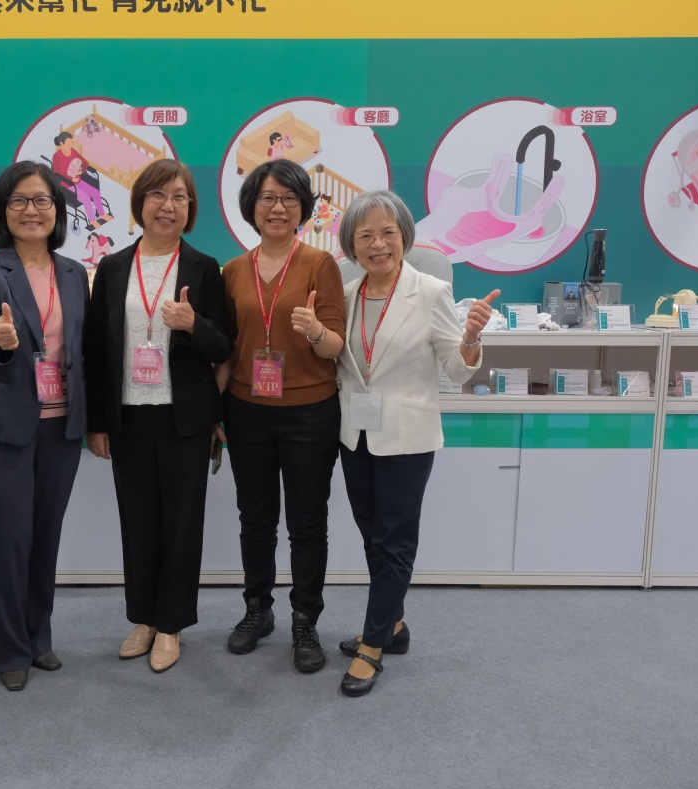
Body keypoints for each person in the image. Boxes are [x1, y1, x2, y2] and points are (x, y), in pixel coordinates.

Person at [332, 190, 498, 697]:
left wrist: (470, 338)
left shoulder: (429, 291)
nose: (378, 244)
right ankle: (394, 625)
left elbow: (456, 369)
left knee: (394, 540)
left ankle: (372, 646)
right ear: (351, 246)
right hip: (355, 434)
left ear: (405, 237)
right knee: (371, 534)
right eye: (365, 235)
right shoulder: (346, 294)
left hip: (408, 436)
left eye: (388, 233)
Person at [84, 159, 232, 673]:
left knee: (182, 523)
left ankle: (171, 625)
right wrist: (97, 422)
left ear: (190, 208)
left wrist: (193, 324)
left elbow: (224, 344)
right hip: (127, 415)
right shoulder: (111, 268)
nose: (168, 206)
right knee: (138, 522)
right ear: (140, 203)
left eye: (179, 197)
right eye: (158, 195)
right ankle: (143, 618)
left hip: (183, 417)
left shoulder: (204, 267)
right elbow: (96, 350)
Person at [0, 161, 90, 692]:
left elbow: (84, 348)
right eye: (19, 200)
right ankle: (9, 647)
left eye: (42, 200)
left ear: (57, 211)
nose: (31, 210)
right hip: (6, 425)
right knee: (10, 539)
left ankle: (39, 637)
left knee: (45, 535)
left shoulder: (74, 272)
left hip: (63, 425)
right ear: (3, 211)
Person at [218, 158, 346, 673]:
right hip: (246, 410)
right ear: (252, 206)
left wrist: (315, 330)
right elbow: (227, 350)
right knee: (256, 519)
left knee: (307, 522)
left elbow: (335, 346)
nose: (278, 208)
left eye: (289, 199)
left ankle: (305, 618)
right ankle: (258, 609)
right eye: (267, 198)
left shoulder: (320, 264)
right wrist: (215, 414)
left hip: (310, 413)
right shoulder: (233, 270)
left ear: (304, 208)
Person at [52, 131, 112, 230]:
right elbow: (57, 173)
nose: (71, 144)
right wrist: (71, 178)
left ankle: (102, 214)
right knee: (86, 198)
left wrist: (81, 170)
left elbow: (84, 162)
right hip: (67, 185)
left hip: (78, 180)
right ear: (62, 143)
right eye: (69, 142)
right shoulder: (57, 156)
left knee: (95, 193)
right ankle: (92, 221)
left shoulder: (73, 151)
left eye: (71, 142)